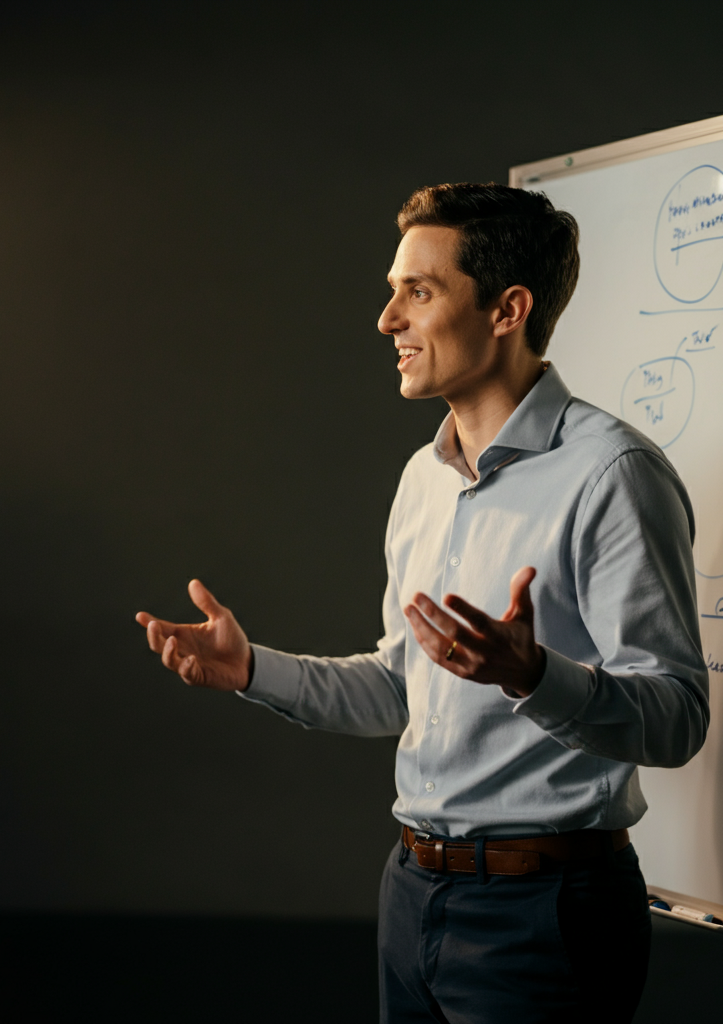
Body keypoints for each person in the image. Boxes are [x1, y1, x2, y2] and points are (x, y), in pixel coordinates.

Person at [135, 183, 709, 1023]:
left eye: (419, 292)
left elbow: (678, 717)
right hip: (412, 893)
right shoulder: (423, 478)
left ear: (508, 308)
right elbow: (402, 690)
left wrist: (534, 676)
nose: (386, 320)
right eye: (394, 290)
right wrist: (252, 670)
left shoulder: (613, 475)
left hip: (545, 912)